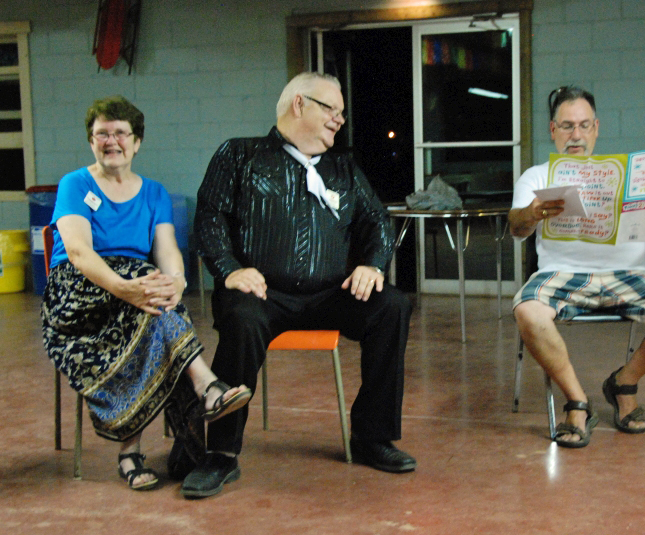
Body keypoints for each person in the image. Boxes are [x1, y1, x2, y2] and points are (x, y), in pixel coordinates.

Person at [183, 72, 415, 498]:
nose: (340, 120)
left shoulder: (343, 167)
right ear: (299, 104)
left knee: (392, 306)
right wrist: (229, 269)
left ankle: (372, 437)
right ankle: (220, 453)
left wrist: (373, 264)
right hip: (261, 293)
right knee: (242, 317)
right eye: (332, 109)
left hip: (329, 295)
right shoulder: (239, 154)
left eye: (342, 113)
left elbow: (378, 221)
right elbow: (209, 216)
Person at [41, 96, 252, 490]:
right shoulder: (75, 184)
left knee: (155, 307)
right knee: (147, 287)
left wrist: (176, 283)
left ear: (136, 142)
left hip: (138, 298)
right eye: (102, 133)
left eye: (121, 133)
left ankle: (131, 453)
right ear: (90, 141)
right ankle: (206, 385)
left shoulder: (154, 193)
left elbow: (168, 250)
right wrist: (127, 288)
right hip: (78, 297)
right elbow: (78, 253)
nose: (111, 141)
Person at [508, 86, 645, 448]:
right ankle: (577, 401)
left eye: (584, 125)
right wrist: (532, 212)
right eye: (567, 126)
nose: (576, 135)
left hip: (631, 274)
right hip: (561, 272)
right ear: (553, 130)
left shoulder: (632, 174)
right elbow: (516, 227)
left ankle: (623, 383)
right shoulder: (537, 176)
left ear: (596, 128)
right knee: (527, 312)